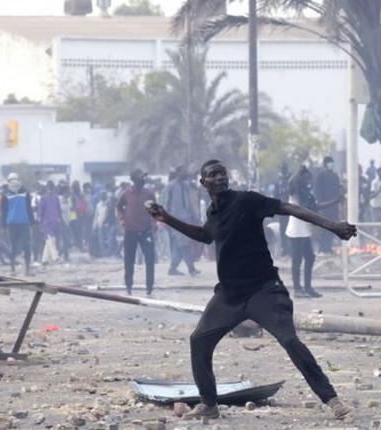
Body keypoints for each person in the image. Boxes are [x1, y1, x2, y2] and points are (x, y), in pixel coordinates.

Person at [147, 159, 356, 420]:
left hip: (263, 290)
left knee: (290, 341)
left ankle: (332, 399)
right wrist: (166, 218)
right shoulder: (214, 212)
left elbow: (288, 207)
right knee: (199, 340)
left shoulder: (246, 201)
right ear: (204, 183)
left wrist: (333, 226)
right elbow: (204, 235)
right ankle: (209, 404)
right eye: (214, 175)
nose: (220, 177)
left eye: (223, 173)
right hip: (230, 295)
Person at [286, 166, 341, 298]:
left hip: (304, 230)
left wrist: (335, 201)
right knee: (297, 260)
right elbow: (309, 207)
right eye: (306, 179)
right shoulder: (296, 191)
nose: (308, 182)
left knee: (309, 258)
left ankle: (307, 287)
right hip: (296, 230)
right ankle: (297, 289)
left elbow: (315, 207)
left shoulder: (306, 193)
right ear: (301, 179)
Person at [117, 169, 156, 296]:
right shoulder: (127, 194)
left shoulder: (149, 194)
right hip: (130, 231)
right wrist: (123, 219)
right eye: (140, 178)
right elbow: (119, 206)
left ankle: (149, 287)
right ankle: (129, 285)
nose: (143, 180)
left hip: (146, 231)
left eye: (144, 178)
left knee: (150, 259)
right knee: (129, 260)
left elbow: (155, 210)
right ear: (134, 180)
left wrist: (154, 224)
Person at [164, 166, 200, 276]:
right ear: (178, 172)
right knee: (184, 245)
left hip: (187, 219)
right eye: (183, 171)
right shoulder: (170, 186)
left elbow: (191, 203)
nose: (185, 173)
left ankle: (172, 268)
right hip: (175, 220)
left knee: (180, 245)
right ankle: (191, 269)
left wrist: (195, 217)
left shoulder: (187, 186)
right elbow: (166, 204)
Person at [2, 173, 34, 276]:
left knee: (26, 246)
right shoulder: (5, 195)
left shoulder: (25, 193)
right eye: (11, 180)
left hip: (24, 223)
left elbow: (29, 208)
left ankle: (27, 269)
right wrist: (3, 225)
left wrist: (32, 222)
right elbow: (4, 211)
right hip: (12, 224)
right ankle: (12, 269)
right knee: (13, 246)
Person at [314, 156, 341, 254]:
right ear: (325, 164)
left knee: (333, 228)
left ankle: (328, 247)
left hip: (334, 206)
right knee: (324, 228)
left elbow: (338, 189)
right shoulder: (320, 175)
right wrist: (320, 204)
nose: (332, 164)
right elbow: (317, 190)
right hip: (324, 206)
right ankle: (322, 248)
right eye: (330, 162)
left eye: (332, 162)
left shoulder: (335, 175)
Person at [39, 180, 63, 264]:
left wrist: (60, 220)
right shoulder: (43, 198)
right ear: (46, 188)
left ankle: (44, 260)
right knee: (51, 239)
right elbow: (41, 212)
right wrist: (41, 223)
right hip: (46, 223)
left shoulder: (56, 198)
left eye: (51, 188)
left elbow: (59, 210)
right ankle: (56, 258)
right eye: (49, 188)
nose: (50, 190)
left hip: (55, 222)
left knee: (50, 241)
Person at [273, 163, 291, 256]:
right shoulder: (278, 181)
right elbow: (275, 195)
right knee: (283, 229)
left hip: (290, 208)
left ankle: (290, 249)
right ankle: (285, 249)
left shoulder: (290, 180)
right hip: (282, 208)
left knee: (289, 228)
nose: (284, 170)